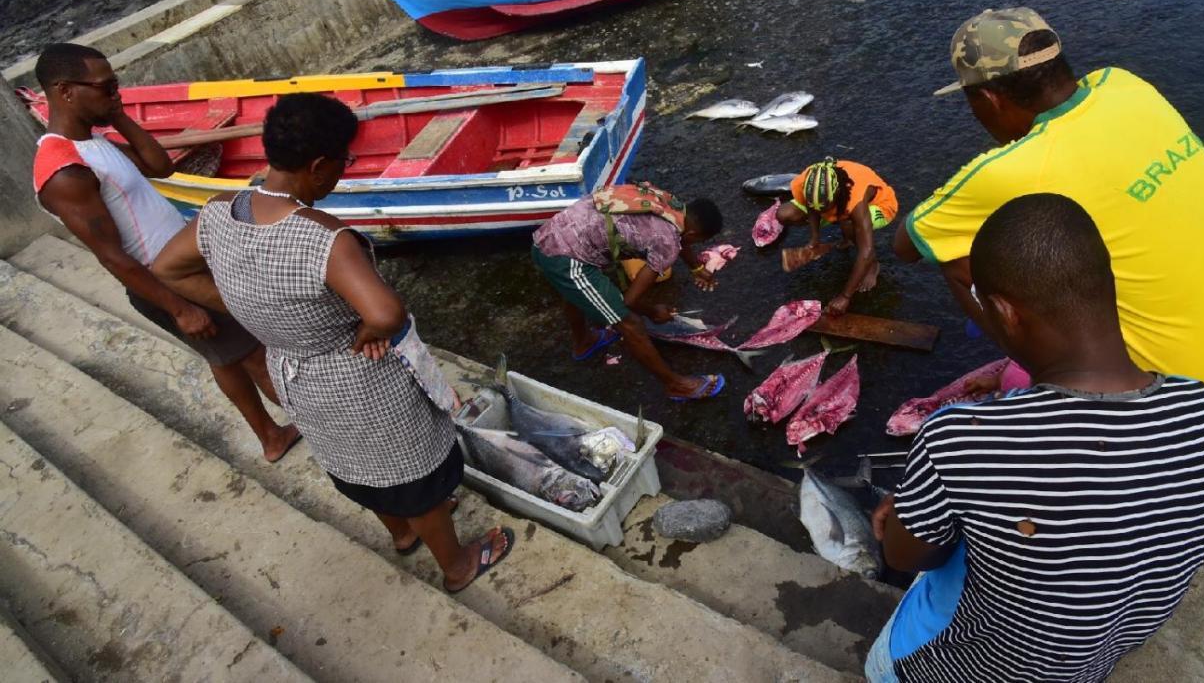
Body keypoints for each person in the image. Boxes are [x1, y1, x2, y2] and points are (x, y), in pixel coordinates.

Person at [867, 193, 1204, 683]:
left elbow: (904, 555)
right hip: (1091, 663)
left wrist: (909, 510)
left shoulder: (960, 438)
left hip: (961, 668)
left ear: (1005, 311)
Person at [152, 93, 511, 591]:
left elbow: (167, 267)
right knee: (415, 479)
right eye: (344, 161)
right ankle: (457, 565)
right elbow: (386, 313)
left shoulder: (219, 213)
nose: (343, 171)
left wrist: (251, 307)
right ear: (318, 165)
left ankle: (403, 536)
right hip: (358, 379)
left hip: (295, 374)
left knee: (355, 467)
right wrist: (368, 328)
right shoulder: (324, 238)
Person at [894, 7, 1204, 413]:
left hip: (1188, 400)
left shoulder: (1012, 170)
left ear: (989, 98)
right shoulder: (1125, 85)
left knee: (953, 253)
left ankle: (1063, 391)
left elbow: (907, 243)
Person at [30, 43, 299, 463]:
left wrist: (115, 112)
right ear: (65, 91)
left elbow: (160, 166)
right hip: (167, 280)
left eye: (116, 84)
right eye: (106, 87)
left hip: (185, 264)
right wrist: (179, 308)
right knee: (255, 355)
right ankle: (333, 430)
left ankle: (270, 436)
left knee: (225, 357)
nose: (115, 92)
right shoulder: (64, 170)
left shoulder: (93, 141)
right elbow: (112, 257)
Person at [532, 183, 726, 401]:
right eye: (699, 241)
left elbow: (681, 238)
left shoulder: (668, 202)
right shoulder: (668, 241)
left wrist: (696, 268)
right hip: (566, 258)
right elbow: (631, 300)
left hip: (548, 237)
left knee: (576, 291)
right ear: (693, 233)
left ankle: (584, 342)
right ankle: (676, 385)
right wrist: (653, 311)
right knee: (629, 323)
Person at [777, 157, 899, 315]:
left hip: (881, 206)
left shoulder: (856, 199)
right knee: (785, 213)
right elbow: (812, 206)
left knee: (850, 225)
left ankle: (873, 265)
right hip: (839, 205)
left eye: (825, 208)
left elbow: (866, 250)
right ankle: (848, 236)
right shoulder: (808, 180)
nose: (821, 213)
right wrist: (815, 238)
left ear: (837, 194)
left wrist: (845, 296)